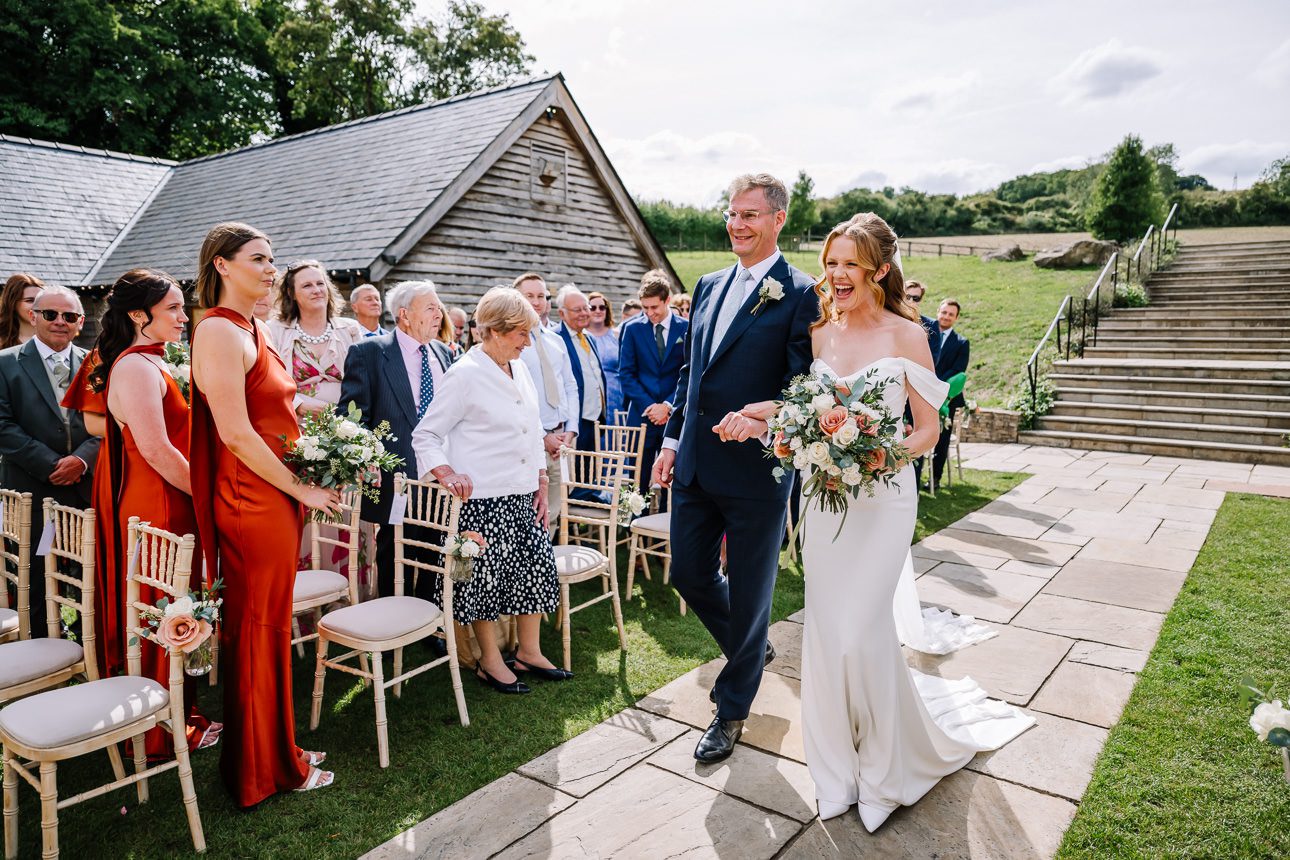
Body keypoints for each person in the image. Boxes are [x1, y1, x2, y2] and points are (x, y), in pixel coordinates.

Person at [736, 213, 1032, 830]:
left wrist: (875, 454)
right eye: (832, 263)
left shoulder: (908, 334)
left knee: (862, 631)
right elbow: (803, 409)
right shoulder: (820, 333)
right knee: (825, 631)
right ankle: (834, 769)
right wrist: (777, 421)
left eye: (850, 264)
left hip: (885, 496)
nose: (837, 275)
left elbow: (926, 430)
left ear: (878, 270)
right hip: (824, 500)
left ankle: (883, 771)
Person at [651, 173, 818, 763]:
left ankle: (731, 709)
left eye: (750, 214)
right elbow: (689, 374)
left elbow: (804, 387)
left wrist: (764, 423)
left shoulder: (801, 292)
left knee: (751, 594)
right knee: (690, 574)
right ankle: (752, 650)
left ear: (778, 221)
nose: (737, 224)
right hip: (695, 461)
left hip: (758, 471)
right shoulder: (706, 284)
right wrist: (672, 442)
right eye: (731, 213)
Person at [189, 222, 340, 804]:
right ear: (222, 266)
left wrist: (325, 441)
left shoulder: (254, 328)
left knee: (271, 629)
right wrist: (302, 492)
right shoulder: (219, 332)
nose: (270, 267)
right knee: (257, 631)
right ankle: (262, 770)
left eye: (273, 258)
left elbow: (276, 409)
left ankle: (280, 747)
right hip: (251, 500)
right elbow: (234, 433)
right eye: (258, 258)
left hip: (271, 497)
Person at [84, 268, 218, 758]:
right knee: (165, 609)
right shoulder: (135, 368)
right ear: (139, 316)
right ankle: (163, 726)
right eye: (175, 309)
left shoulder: (151, 360)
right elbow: (158, 450)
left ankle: (185, 710)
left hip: (167, 497)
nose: (185, 317)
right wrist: (207, 499)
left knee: (178, 604)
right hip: (158, 502)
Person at [412, 287, 567, 694]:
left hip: (521, 493)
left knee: (535, 572)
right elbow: (425, 435)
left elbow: (532, 428)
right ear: (494, 331)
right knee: (483, 583)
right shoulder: (464, 374)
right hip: (481, 501)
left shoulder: (520, 368)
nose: (527, 342)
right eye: (521, 334)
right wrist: (445, 472)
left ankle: (530, 652)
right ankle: (490, 661)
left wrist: (539, 478)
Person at [338, 281, 453, 600]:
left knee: (437, 544)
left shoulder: (444, 353)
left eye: (439, 306)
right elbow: (351, 415)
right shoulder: (369, 353)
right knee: (393, 547)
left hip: (441, 469)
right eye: (430, 307)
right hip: (394, 472)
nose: (439, 313)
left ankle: (429, 614)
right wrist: (366, 458)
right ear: (404, 314)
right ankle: (391, 613)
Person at [0, 286, 100, 636]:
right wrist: (52, 464)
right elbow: (2, 425)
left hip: (85, 487)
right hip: (32, 487)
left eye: (69, 316)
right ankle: (41, 645)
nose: (60, 322)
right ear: (33, 316)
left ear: (80, 322)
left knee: (87, 572)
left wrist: (81, 460)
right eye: (51, 314)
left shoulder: (96, 363)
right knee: (37, 571)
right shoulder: (6, 363)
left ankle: (89, 645)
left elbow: (111, 423)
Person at [513, 274, 579, 526]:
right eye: (529, 295)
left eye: (541, 296)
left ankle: (549, 561)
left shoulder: (557, 340)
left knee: (556, 507)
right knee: (532, 510)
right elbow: (514, 396)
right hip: (531, 439)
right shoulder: (514, 342)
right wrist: (543, 437)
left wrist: (571, 430)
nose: (537, 301)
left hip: (562, 438)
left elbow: (570, 387)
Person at [267, 260, 364, 421]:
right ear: (291, 293)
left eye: (320, 283)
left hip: (346, 423)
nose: (317, 290)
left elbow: (363, 380)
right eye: (307, 286)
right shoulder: (274, 330)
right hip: (295, 422)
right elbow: (268, 381)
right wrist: (298, 404)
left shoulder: (350, 329)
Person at [618, 269, 688, 485]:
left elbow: (688, 372)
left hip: (674, 417)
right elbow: (626, 374)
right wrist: (651, 406)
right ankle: (637, 518)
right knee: (637, 479)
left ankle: (666, 518)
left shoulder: (685, 328)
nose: (649, 313)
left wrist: (667, 405)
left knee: (671, 477)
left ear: (667, 300)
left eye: (654, 307)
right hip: (642, 416)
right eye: (645, 308)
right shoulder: (632, 330)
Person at [554, 285, 608, 452]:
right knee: (575, 473)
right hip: (574, 421)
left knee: (591, 472)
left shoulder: (589, 337)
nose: (584, 313)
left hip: (596, 419)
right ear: (562, 313)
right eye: (577, 310)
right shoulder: (555, 338)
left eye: (586, 308)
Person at [903, 280, 941, 490]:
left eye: (915, 298)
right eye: (906, 295)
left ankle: (914, 490)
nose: (910, 301)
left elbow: (929, 364)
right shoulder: (891, 322)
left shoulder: (930, 326)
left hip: (916, 397)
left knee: (916, 447)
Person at [931, 298, 969, 490]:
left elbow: (958, 370)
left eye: (951, 314)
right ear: (938, 311)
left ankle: (935, 478)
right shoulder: (926, 334)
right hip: (921, 392)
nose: (946, 317)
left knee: (942, 437)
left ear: (956, 318)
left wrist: (935, 383)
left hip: (948, 397)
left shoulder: (962, 343)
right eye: (944, 312)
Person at [585, 291, 623, 423]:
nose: (598, 311)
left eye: (602, 307)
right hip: (590, 397)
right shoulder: (581, 336)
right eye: (592, 307)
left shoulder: (617, 335)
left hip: (616, 395)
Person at [0, 273, 45, 349]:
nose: (37, 305)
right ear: (13, 303)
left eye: (40, 300)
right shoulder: (2, 342)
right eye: (30, 300)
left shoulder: (55, 339)